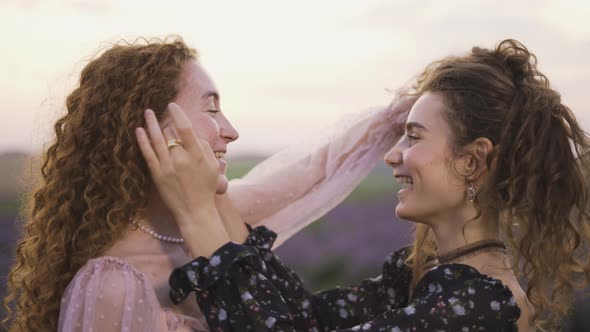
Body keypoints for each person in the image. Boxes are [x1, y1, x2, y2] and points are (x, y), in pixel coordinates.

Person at [144, 39, 590, 331]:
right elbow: (303, 318)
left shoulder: (476, 303)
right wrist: (215, 194)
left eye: (414, 137)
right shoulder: (430, 272)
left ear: (472, 161)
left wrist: (196, 212)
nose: (392, 154)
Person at [2, 37, 411, 331]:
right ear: (148, 129)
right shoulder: (113, 284)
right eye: (211, 108)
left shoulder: (209, 222)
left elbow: (307, 173)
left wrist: (395, 119)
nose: (230, 131)